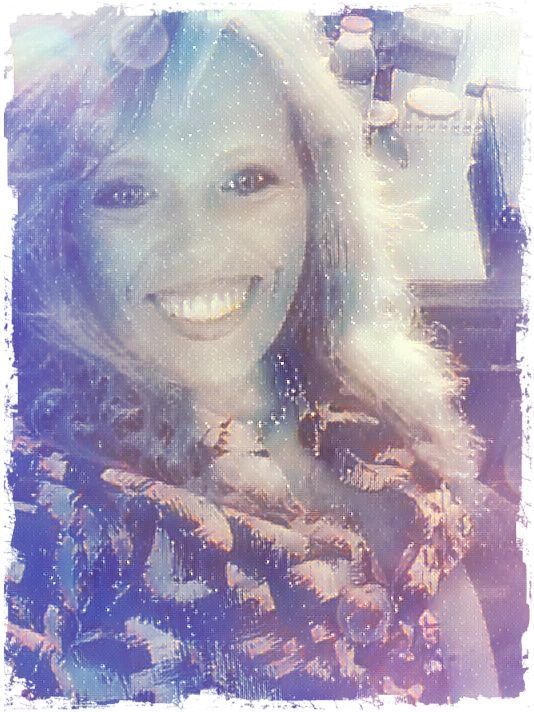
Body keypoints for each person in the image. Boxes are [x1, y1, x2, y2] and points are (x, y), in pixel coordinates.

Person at [4, 8, 522, 704]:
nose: (198, 247)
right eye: (128, 193)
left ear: (316, 196)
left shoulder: (354, 381)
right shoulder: (61, 530)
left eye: (245, 180)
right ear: (64, 232)